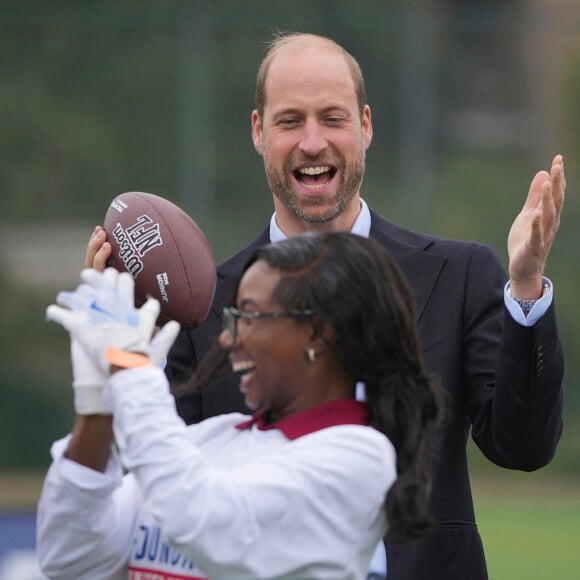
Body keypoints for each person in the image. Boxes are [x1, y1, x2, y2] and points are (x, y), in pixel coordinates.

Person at [85, 32, 565, 579]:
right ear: (258, 132)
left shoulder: (458, 276)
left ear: (364, 125)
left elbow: (523, 447)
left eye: (332, 118)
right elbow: (152, 486)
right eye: (290, 121)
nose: (313, 143)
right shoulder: (199, 308)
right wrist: (124, 349)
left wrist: (526, 287)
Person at [37, 232, 442, 580]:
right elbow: (69, 559)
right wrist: (97, 400)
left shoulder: (358, 459)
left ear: (318, 334)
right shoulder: (211, 438)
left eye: (249, 316)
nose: (229, 339)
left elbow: (201, 519)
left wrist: (131, 368)